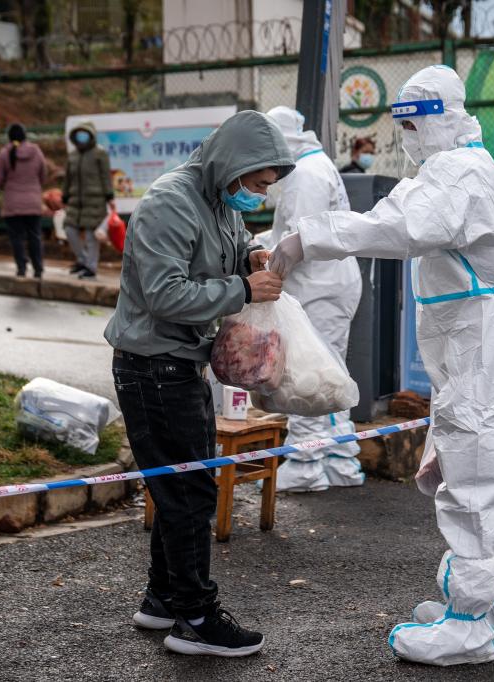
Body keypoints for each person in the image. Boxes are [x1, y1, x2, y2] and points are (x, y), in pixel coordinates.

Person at [270, 64, 494, 667]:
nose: (407, 137)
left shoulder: (454, 173)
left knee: (475, 472)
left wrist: (305, 238)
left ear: (440, 117)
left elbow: (395, 224)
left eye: (412, 124)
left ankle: (467, 625)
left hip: (479, 341)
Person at [104, 110, 293, 657]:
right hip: (153, 367)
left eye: (268, 187)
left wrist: (249, 255)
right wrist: (243, 290)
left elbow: (227, 245)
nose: (259, 195)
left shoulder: (217, 197)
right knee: (189, 491)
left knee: (178, 486)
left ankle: (163, 598)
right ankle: (195, 617)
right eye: (258, 183)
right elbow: (164, 293)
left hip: (179, 363)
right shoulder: (171, 202)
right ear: (233, 166)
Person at [263, 105, 365, 491]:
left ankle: (305, 463)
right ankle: (340, 460)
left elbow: (297, 239)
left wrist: (263, 264)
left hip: (319, 287)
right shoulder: (314, 166)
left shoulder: (305, 174)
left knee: (308, 374)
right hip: (329, 283)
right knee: (331, 371)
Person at [0, 123, 47, 278]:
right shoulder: (36, 151)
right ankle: (38, 268)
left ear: (9, 137)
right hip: (33, 202)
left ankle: (21, 268)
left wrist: (7, 187)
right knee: (34, 236)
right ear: (25, 135)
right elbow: (43, 174)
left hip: (12, 203)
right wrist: (34, 187)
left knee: (17, 237)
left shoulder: (5, 153)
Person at [62, 121, 114, 280]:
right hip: (75, 201)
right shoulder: (73, 155)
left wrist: (109, 196)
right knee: (69, 230)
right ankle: (82, 260)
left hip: (95, 200)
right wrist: (65, 195)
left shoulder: (99, 153)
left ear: (91, 136)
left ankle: (91, 267)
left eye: (85, 134)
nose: (82, 137)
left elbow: (106, 176)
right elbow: (67, 178)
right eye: (79, 134)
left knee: (92, 236)